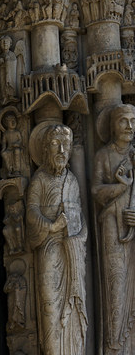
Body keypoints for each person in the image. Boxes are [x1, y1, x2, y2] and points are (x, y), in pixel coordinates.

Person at [26, 122, 88, 355]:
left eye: (66, 145)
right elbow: (31, 211)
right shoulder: (40, 179)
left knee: (74, 308)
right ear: (45, 149)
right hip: (49, 250)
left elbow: (79, 216)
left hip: (71, 251)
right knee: (51, 306)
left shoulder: (72, 180)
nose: (62, 150)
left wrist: (79, 235)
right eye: (55, 144)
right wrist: (52, 226)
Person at [93, 104, 135, 355]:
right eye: (123, 121)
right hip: (111, 226)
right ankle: (114, 346)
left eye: (133, 121)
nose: (130, 126)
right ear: (112, 125)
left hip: (132, 228)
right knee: (115, 286)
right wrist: (121, 187)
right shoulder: (103, 155)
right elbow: (95, 191)